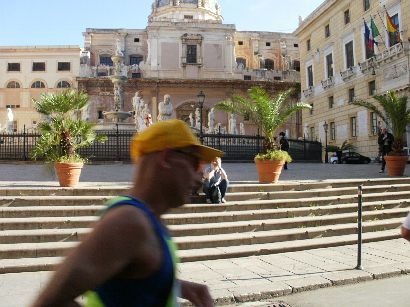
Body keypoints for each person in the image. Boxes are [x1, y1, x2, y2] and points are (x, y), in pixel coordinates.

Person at [31, 119, 221, 307]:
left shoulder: (150, 219)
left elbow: (132, 282)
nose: (200, 177)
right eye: (196, 164)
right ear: (166, 158)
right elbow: (50, 301)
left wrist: (175, 286)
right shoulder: (129, 223)